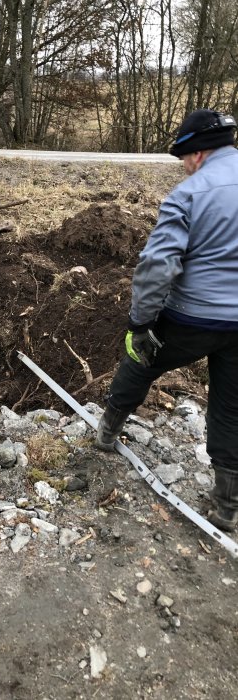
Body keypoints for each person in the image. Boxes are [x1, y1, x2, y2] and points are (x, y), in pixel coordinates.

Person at [95, 108, 238, 532]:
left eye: (182, 158)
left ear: (196, 153)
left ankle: (106, 432)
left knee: (140, 360)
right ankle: (227, 504)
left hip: (194, 316)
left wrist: (140, 322)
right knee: (231, 405)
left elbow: (158, 265)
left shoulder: (190, 194)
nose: (183, 166)